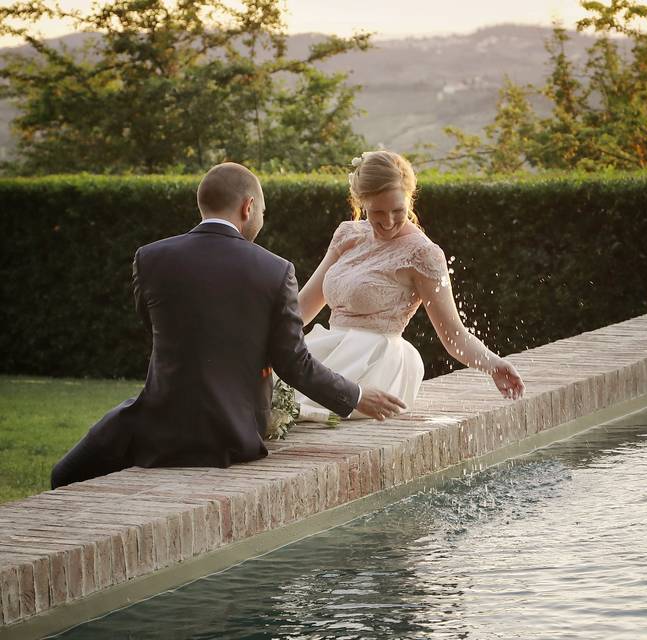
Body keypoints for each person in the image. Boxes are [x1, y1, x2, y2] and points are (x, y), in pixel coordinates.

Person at [51, 162, 405, 489]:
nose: (261, 219)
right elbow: (293, 363)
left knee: (64, 474)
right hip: (234, 433)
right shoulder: (275, 270)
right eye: (262, 212)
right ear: (248, 207)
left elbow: (156, 328)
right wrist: (357, 395)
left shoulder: (150, 258)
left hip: (159, 425)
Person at [289, 150, 525, 421]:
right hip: (328, 350)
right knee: (265, 397)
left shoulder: (423, 254)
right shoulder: (347, 234)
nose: (388, 222)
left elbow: (453, 336)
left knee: (300, 411)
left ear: (410, 200)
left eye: (398, 210)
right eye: (378, 211)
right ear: (361, 201)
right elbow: (302, 307)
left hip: (376, 363)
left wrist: (494, 365)